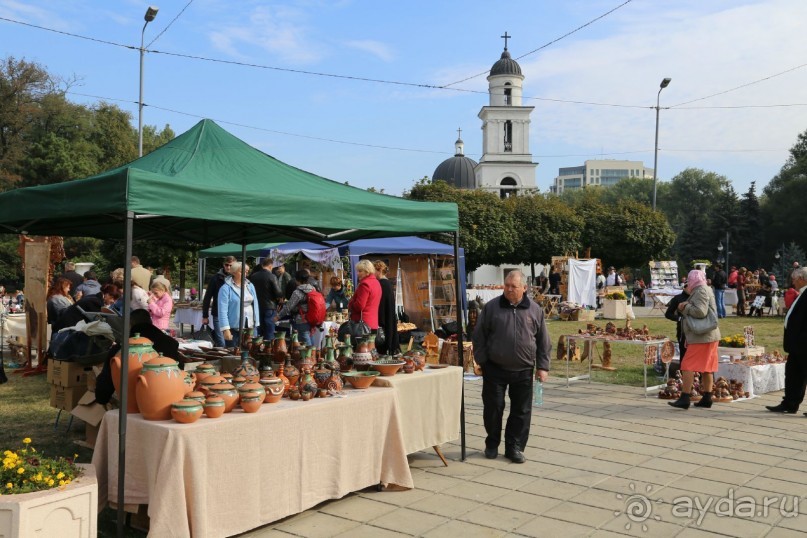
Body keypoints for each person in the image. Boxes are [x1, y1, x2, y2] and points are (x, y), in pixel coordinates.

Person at [472, 270, 551, 463]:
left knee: (521, 411)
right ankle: (491, 444)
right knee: (493, 408)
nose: (509, 289)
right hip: (495, 368)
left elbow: (543, 341)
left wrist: (543, 367)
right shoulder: (491, 308)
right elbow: (478, 335)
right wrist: (482, 360)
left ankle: (514, 447)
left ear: (524, 288)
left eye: (513, 286)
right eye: (506, 285)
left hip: (523, 370)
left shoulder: (535, 310)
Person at [94, 308, 181, 406]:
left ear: (130, 324)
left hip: (134, 403)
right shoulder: (169, 343)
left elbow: (104, 388)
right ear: (150, 322)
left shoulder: (121, 348)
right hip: (168, 398)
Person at [668, 269, 721, 410]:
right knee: (707, 368)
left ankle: (685, 398)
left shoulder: (700, 290)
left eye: (689, 279)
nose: (688, 282)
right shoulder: (706, 288)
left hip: (702, 337)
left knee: (687, 365)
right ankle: (707, 398)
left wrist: (684, 307)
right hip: (709, 335)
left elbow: (700, 312)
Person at [766, 267, 807, 414]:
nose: (793, 282)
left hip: (803, 344)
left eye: (795, 279)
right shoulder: (802, 293)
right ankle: (790, 403)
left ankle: (791, 402)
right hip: (796, 345)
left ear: (802, 279)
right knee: (793, 375)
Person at [217, 261, 260, 348]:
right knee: (234, 354)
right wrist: (226, 329)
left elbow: (255, 304)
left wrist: (257, 321)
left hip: (251, 326)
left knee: (251, 352)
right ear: (234, 272)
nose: (245, 273)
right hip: (234, 327)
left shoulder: (250, 285)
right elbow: (222, 310)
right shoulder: (226, 288)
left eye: (247, 271)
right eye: (242, 271)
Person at [54, 284, 121, 332]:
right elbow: (94, 322)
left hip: (65, 326)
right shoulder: (96, 302)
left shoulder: (94, 298)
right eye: (113, 298)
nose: (114, 302)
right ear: (107, 294)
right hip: (66, 329)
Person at [276, 270, 318, 346]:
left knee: (305, 340)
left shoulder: (297, 292)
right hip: (311, 317)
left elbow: (288, 307)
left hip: (301, 319)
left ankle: (309, 356)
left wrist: (278, 316)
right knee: (310, 337)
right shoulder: (312, 289)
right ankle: (314, 354)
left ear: (297, 280)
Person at [202, 256, 235, 347]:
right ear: (223, 265)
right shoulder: (216, 278)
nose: (228, 267)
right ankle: (222, 358)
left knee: (232, 341)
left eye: (230, 265)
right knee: (221, 341)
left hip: (233, 314)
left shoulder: (237, 278)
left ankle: (230, 358)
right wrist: (205, 315)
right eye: (226, 265)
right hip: (218, 313)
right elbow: (207, 297)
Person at [249, 258, 283, 341]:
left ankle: (259, 345)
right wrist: (279, 301)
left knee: (259, 326)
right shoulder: (272, 276)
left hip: (256, 305)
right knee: (269, 328)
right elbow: (278, 293)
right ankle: (269, 347)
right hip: (270, 306)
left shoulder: (253, 276)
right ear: (271, 266)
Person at [348, 259, 382, 333]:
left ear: (367, 271)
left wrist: (351, 304)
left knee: (362, 344)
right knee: (371, 344)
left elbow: (359, 305)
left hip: (362, 323)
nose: (357, 273)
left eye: (360, 271)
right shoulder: (376, 282)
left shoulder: (365, 284)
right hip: (373, 322)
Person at [373, 260, 399, 355]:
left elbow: (382, 304)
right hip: (388, 314)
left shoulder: (382, 284)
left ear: (379, 271)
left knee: (384, 336)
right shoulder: (387, 283)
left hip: (385, 315)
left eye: (374, 271)